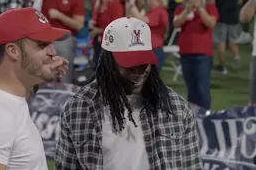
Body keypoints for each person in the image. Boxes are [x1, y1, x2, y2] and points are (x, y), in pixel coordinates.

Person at [55, 17, 202, 169]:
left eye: (143, 64)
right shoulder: (79, 108)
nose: (138, 72)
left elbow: (192, 166)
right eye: (130, 65)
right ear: (108, 61)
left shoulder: (177, 108)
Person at [0, 7, 70, 170]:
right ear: (13, 51)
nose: (53, 52)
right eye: (42, 44)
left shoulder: (4, 98)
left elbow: (20, 91)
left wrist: (43, 73)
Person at [173, 0, 218, 110]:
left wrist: (200, 9)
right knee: (191, 89)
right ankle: (194, 118)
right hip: (186, 54)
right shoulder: (181, 9)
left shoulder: (209, 7)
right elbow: (176, 23)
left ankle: (205, 116)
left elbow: (211, 23)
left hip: (203, 54)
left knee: (202, 88)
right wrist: (187, 10)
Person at [41, 0, 85, 83]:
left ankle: (66, 97)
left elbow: (79, 25)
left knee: (64, 76)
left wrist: (59, 15)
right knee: (47, 76)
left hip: (65, 40)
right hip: (47, 40)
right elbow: (41, 19)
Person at [127, 0, 169, 72]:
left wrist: (132, 4)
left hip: (154, 50)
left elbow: (142, 20)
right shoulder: (150, 12)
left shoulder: (160, 11)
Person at [90, 0, 124, 67]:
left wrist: (99, 31)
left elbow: (117, 28)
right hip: (98, 43)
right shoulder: (99, 5)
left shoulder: (116, 5)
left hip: (111, 45)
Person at [214, 0, 243, 74]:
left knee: (221, 42)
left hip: (221, 17)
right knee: (233, 41)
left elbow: (214, 0)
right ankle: (237, 59)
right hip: (233, 17)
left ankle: (222, 66)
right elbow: (240, 1)